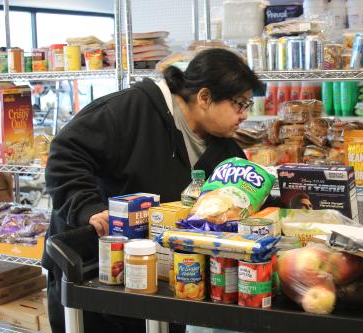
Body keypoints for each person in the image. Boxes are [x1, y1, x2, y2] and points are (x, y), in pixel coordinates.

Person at [43, 48, 262, 333]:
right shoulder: (129, 111)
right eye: (239, 104)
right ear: (205, 98)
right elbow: (65, 155)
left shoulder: (226, 150)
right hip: (92, 271)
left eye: (248, 106)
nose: (244, 115)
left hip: (162, 280)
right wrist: (87, 208)